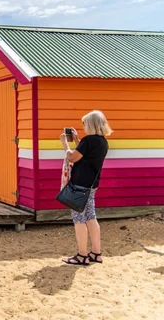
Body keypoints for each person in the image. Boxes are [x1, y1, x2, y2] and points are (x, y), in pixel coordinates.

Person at [60, 110, 111, 266]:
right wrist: (77, 141)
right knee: (90, 216)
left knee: (79, 218)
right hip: (91, 185)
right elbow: (86, 157)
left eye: (85, 123)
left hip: (80, 184)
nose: (83, 126)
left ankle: (82, 255)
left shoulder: (88, 140)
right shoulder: (102, 141)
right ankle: (96, 253)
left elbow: (72, 157)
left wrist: (65, 143)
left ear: (91, 124)